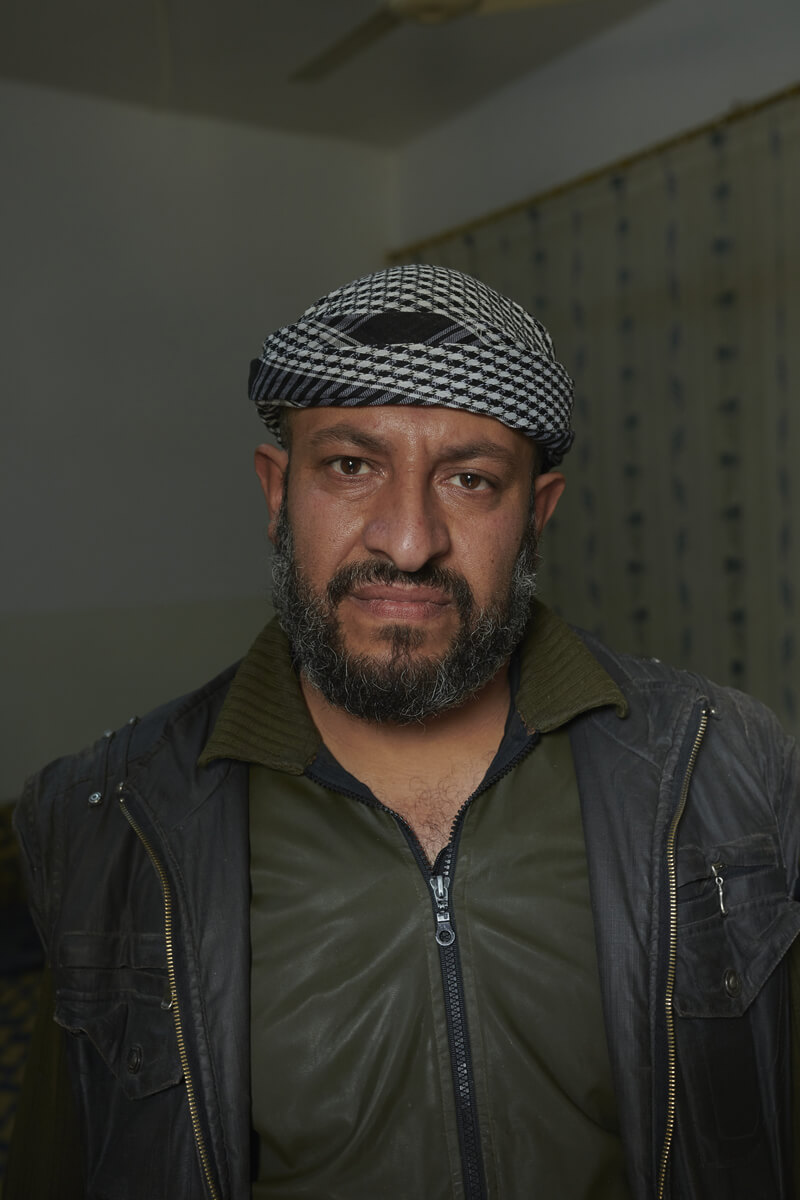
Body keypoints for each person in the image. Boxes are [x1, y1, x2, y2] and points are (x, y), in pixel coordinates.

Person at [7, 265, 800, 1200]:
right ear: (278, 491)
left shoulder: (731, 768)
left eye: (469, 479)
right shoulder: (110, 820)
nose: (409, 540)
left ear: (535, 516)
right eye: (351, 466)